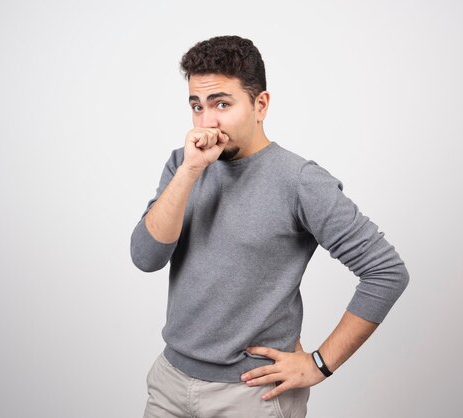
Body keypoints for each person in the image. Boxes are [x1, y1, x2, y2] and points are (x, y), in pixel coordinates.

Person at [130, 35, 409, 418]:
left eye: (221, 104)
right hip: (170, 382)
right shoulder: (183, 163)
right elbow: (146, 257)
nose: (206, 121)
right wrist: (190, 172)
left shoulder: (299, 180)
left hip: (251, 396)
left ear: (260, 105)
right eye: (197, 106)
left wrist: (319, 363)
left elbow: (386, 271)